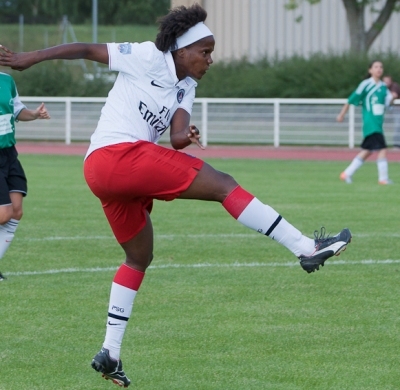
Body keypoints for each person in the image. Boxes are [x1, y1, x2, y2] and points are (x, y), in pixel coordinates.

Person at [0, 4, 351, 388]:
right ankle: (304, 246)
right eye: (205, 51)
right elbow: (86, 49)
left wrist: (188, 135)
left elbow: (176, 135)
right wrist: (27, 58)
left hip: (108, 173)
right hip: (115, 156)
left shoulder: (187, 86)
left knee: (139, 256)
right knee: (224, 185)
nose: (210, 59)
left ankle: (110, 352)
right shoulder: (148, 56)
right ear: (180, 50)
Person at [0, 71, 50, 281]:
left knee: (16, 212)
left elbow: (18, 110)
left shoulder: (7, 80)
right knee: (3, 214)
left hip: (9, 154)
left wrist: (35, 114)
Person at [337, 60, 397, 184]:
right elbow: (351, 99)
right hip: (371, 124)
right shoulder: (365, 84)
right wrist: (342, 114)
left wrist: (393, 97)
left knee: (367, 151)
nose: (379, 69)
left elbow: (387, 103)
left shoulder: (383, 87)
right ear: (370, 70)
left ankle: (346, 174)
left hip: (378, 123)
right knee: (383, 149)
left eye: (381, 67)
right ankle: (383, 179)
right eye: (376, 67)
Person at [383, 75, 400, 148]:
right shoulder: (382, 88)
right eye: (385, 81)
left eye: (387, 81)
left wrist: (387, 102)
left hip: (397, 109)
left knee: (398, 126)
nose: (386, 83)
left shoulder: (394, 86)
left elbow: (394, 95)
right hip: (391, 111)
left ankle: (397, 144)